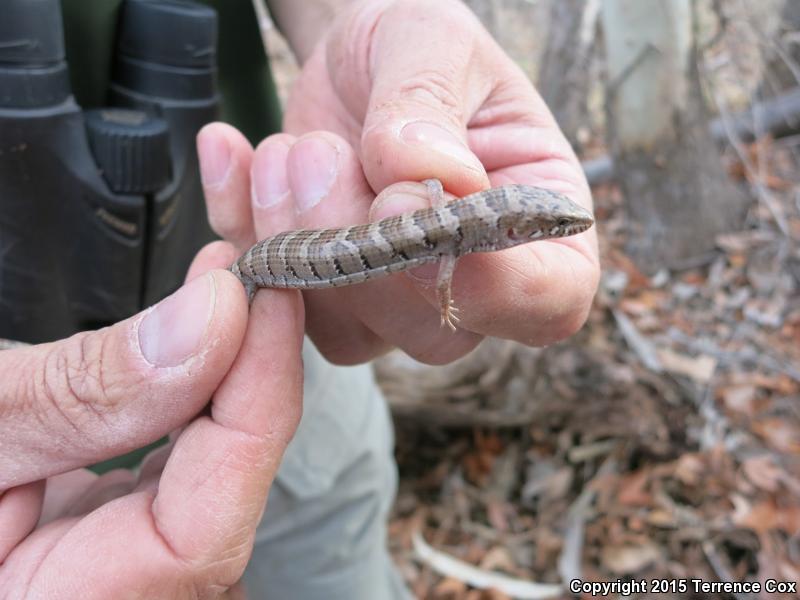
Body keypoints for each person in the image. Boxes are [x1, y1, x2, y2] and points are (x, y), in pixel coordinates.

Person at [0, 0, 599, 598]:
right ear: (509, 229)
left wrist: (371, 21)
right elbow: (441, 249)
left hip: (274, 294)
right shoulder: (448, 231)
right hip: (52, 451)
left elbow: (438, 194)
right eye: (550, 224)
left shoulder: (450, 224)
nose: (560, 227)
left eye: (552, 224)